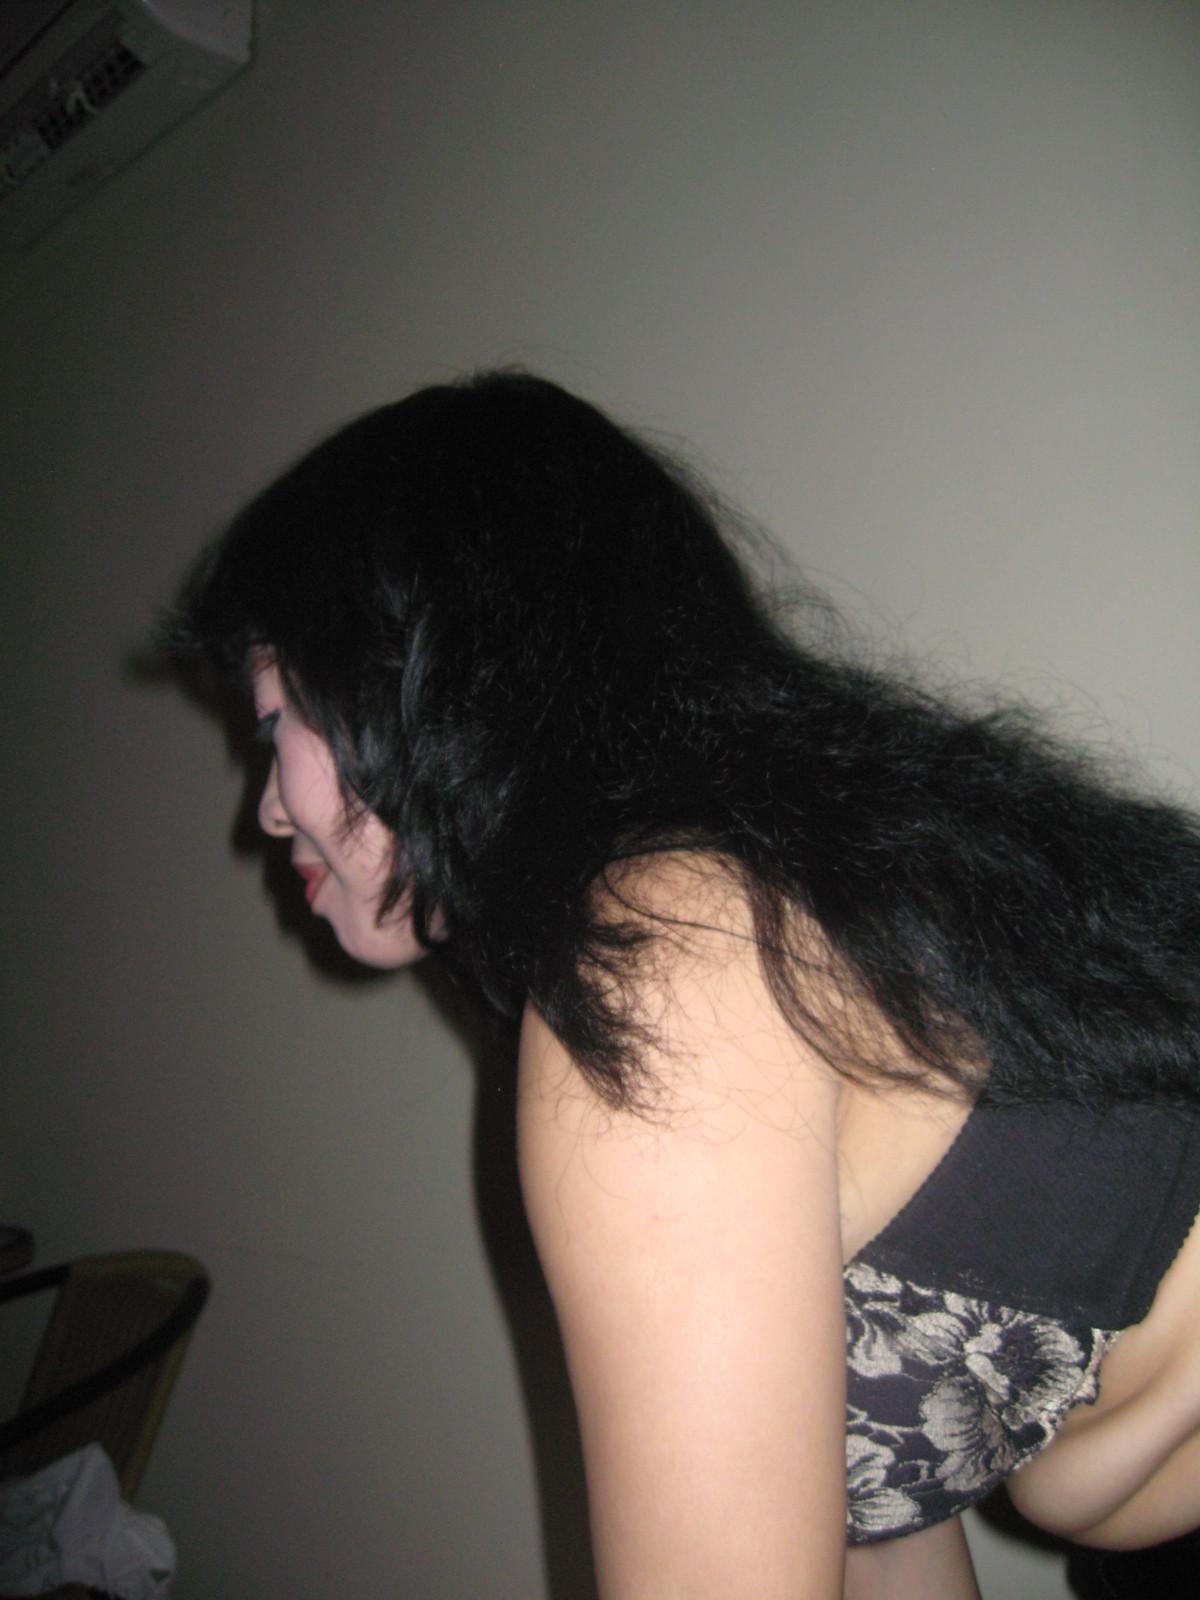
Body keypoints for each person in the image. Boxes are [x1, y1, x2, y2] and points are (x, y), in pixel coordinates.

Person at [170, 370, 1200, 1599]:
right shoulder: (725, 924)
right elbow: (875, 1537)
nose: (265, 808)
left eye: (275, 720)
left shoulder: (660, 957)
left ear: (426, 670)